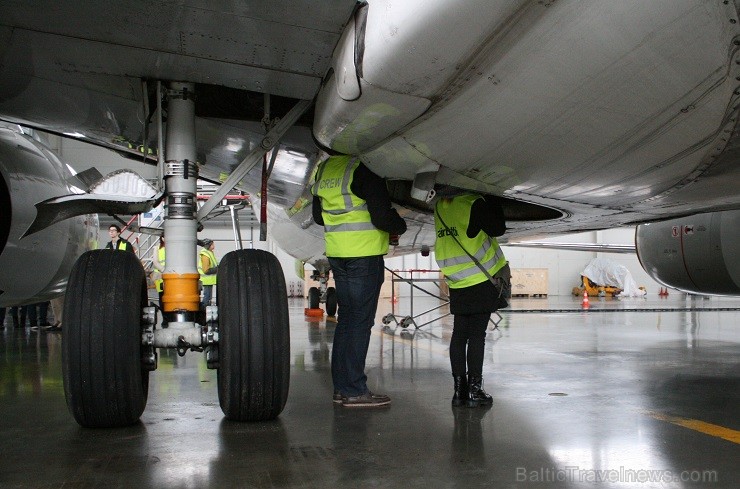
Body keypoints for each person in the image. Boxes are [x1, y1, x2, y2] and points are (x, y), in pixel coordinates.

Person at [311, 153, 407, 408]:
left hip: (338, 255)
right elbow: (382, 218)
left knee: (347, 321)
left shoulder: (325, 170)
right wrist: (400, 223)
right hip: (363, 256)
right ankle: (354, 389)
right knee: (359, 323)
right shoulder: (364, 169)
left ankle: (342, 388)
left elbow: (320, 217)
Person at [434, 192, 510, 408]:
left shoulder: (440, 205)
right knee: (477, 336)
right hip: (480, 278)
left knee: (459, 334)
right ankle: (475, 391)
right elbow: (497, 229)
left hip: (457, 281)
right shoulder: (472, 203)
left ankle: (459, 391)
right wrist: (493, 197)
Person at [198, 238, 218, 308]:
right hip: (207, 280)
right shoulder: (205, 255)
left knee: (209, 297)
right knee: (207, 296)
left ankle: (205, 309)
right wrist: (217, 269)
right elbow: (206, 270)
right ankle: (203, 310)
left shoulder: (209, 253)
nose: (213, 245)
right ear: (208, 245)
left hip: (209, 280)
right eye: (212, 244)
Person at [153, 236, 166, 309]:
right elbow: (155, 262)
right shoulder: (157, 248)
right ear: (162, 238)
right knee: (161, 296)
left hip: (168, 274)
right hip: (160, 275)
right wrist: (163, 270)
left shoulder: (172, 248)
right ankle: (165, 317)